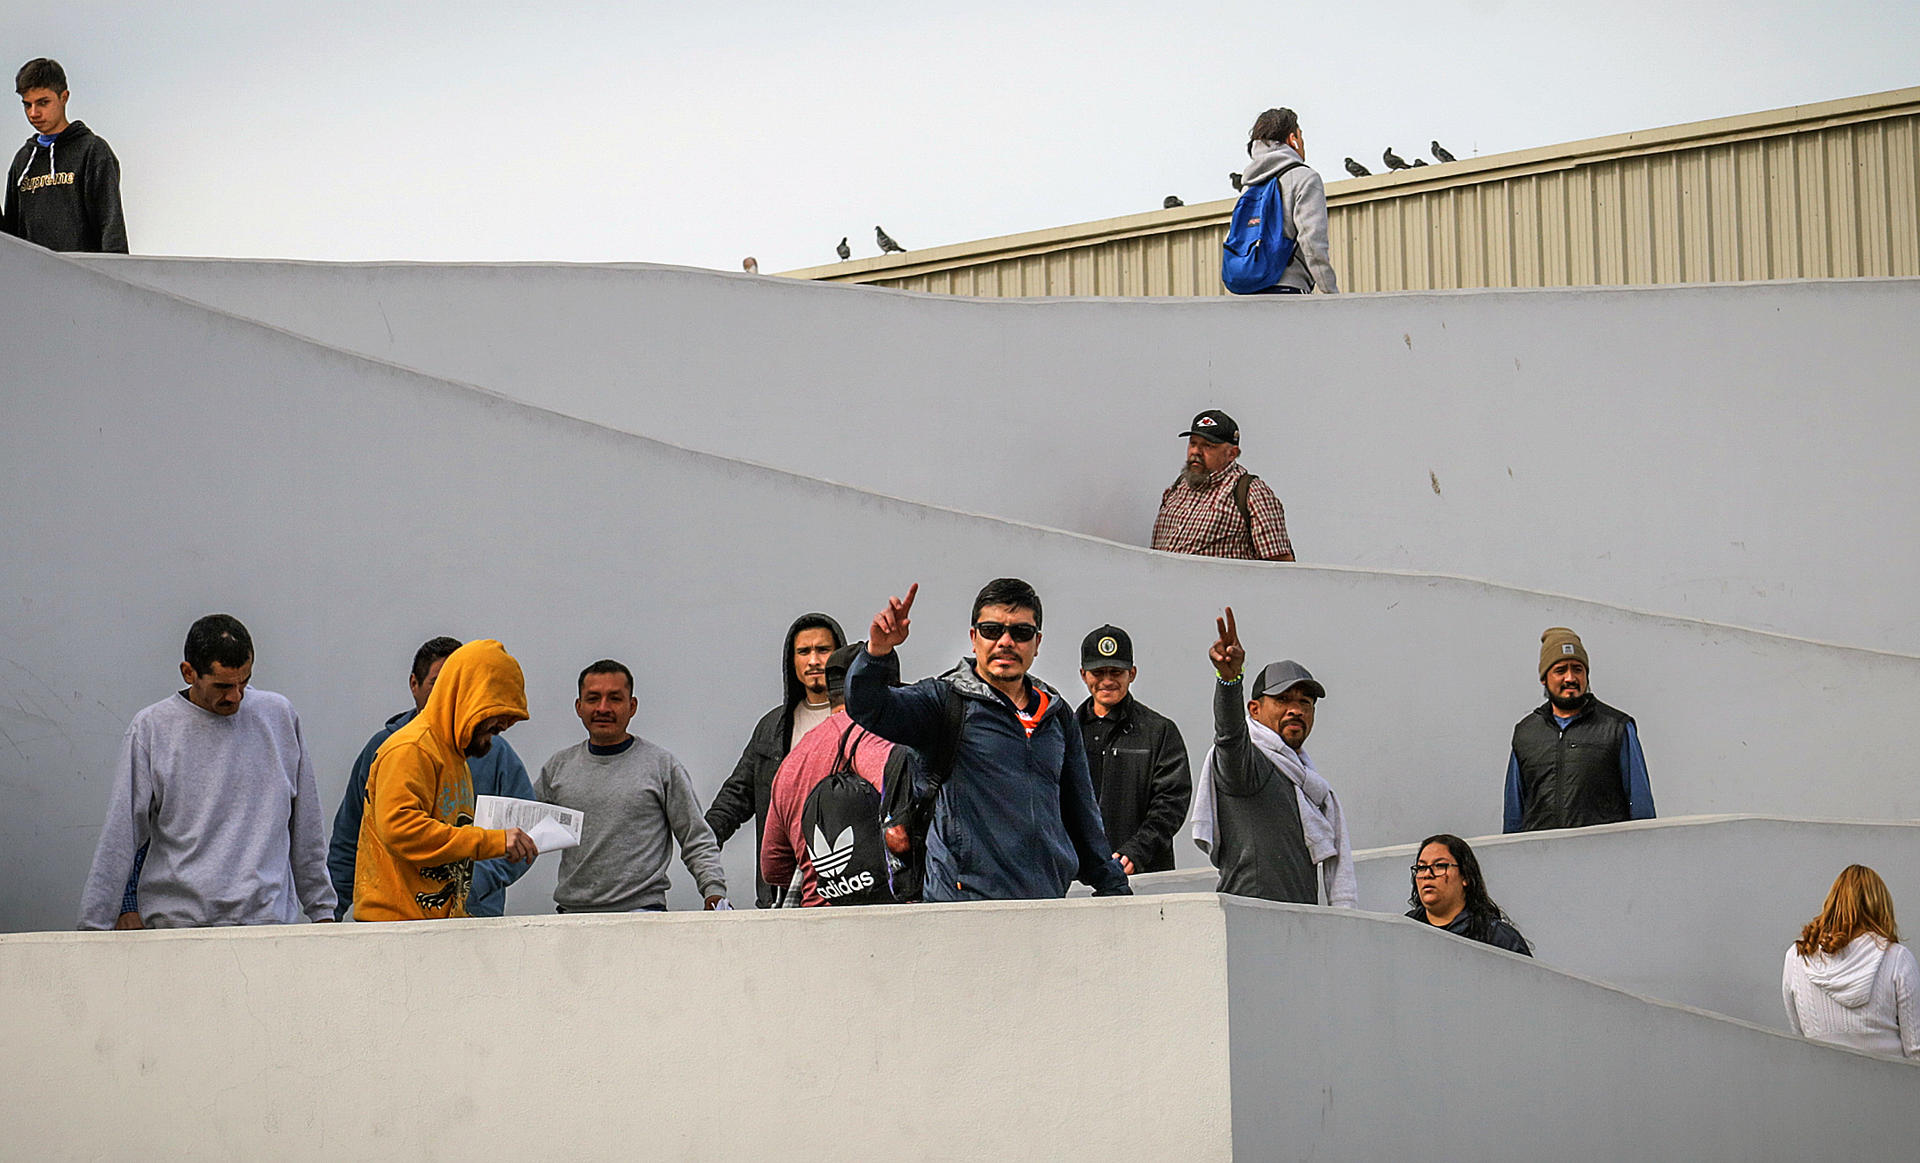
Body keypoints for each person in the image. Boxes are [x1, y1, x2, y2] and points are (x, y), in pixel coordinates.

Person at [846, 579, 1130, 901]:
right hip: (963, 911)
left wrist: (1112, 885)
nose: (1005, 642)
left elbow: (1081, 810)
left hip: (1045, 906)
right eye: (992, 630)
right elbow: (868, 706)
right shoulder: (944, 702)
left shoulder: (1056, 712)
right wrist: (877, 653)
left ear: (1037, 644)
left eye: (1021, 633)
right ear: (973, 638)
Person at [77, 615, 334, 929]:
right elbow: (121, 833)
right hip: (180, 926)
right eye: (223, 686)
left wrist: (323, 914)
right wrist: (94, 928)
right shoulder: (152, 728)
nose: (236, 696)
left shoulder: (278, 716)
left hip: (266, 923)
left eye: (245, 681)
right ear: (189, 673)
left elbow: (306, 826)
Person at [327, 637, 535, 920]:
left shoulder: (455, 757)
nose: (505, 725)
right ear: (467, 695)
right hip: (399, 932)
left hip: (433, 931)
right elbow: (400, 828)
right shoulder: (411, 748)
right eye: (498, 711)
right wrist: (491, 842)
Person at [1190, 608, 1354, 907]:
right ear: (1254, 710)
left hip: (1301, 924)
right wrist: (1229, 680)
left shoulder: (1306, 780)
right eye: (1282, 700)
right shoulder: (1248, 763)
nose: (1296, 710)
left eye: (1305, 702)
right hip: (1252, 921)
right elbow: (1228, 735)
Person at [536, 660, 728, 912]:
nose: (603, 708)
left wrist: (714, 892)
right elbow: (519, 831)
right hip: (571, 917)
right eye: (593, 698)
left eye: (614, 698)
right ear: (579, 707)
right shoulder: (557, 768)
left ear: (632, 706)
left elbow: (696, 837)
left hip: (642, 918)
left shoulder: (662, 766)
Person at [763, 643, 922, 906]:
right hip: (875, 922)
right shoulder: (871, 738)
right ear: (886, 691)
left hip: (813, 923)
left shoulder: (791, 763)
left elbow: (773, 868)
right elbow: (900, 823)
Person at [707, 613, 846, 907]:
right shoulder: (772, 728)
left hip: (849, 872)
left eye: (823, 650)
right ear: (791, 661)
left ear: (839, 655)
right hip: (786, 883)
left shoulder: (862, 719)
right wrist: (705, 837)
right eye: (803, 651)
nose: (813, 661)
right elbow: (739, 793)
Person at [1503, 627, 1655, 833]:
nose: (1570, 678)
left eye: (1577, 669)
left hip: (1603, 857)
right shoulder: (1525, 733)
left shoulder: (1617, 727)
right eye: (1560, 670)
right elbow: (1514, 813)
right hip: (1542, 859)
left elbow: (1641, 807)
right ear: (1544, 678)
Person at [1076, 624, 1192, 875]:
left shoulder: (1159, 731)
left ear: (1132, 673)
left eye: (1116, 672)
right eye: (1099, 672)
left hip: (1143, 874)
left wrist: (1137, 851)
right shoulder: (1065, 733)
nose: (1107, 681)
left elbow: (1171, 802)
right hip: (1077, 874)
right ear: (1083, 674)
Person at [1782, 865, 1917, 1059]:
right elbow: (1916, 1050)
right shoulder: (1898, 959)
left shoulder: (1796, 958)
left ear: (1831, 902)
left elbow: (1799, 1036)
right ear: (1882, 907)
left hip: (1819, 1082)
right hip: (1889, 1084)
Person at [5, 58, 126, 252]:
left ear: (64, 97)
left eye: (43, 103)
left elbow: (111, 227)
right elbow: (10, 237)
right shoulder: (23, 160)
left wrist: (115, 276)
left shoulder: (92, 151)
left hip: (82, 276)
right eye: (27, 105)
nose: (34, 113)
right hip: (32, 278)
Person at [1150, 410, 1295, 561]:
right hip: (1161, 582)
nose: (1196, 451)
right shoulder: (1178, 488)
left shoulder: (1251, 493)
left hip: (1220, 584)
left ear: (1232, 453)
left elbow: (1280, 565)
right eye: (1193, 443)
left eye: (1208, 446)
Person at [1237, 107, 1337, 294]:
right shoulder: (1305, 178)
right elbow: (1312, 242)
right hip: (1289, 290)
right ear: (1293, 139)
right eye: (1300, 136)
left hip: (1249, 294)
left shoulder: (1249, 185)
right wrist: (1331, 294)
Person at [1404, 833, 1531, 955]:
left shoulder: (1496, 937)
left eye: (1440, 866)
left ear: (1465, 876)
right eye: (1421, 868)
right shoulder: (1404, 929)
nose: (1427, 874)